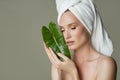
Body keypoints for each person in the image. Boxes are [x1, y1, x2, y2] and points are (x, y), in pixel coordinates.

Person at [43, 0, 117, 80]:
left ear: (88, 26)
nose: (66, 36)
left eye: (73, 28)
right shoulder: (60, 66)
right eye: (62, 30)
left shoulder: (105, 64)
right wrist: (57, 70)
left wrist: (73, 71)